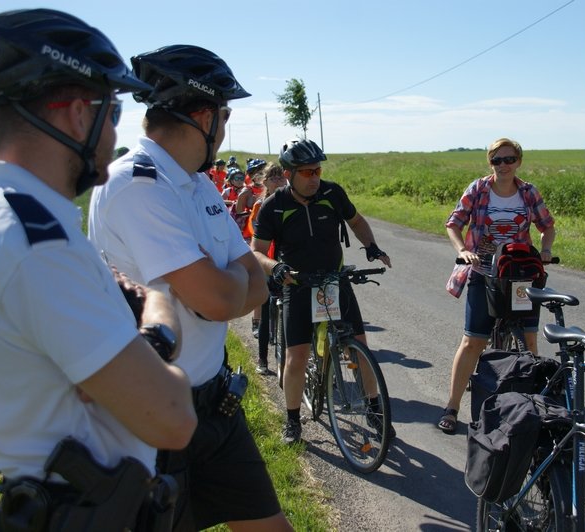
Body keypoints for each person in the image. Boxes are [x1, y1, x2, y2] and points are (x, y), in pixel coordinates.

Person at [0, 9, 196, 530]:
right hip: (83, 510)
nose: (113, 133)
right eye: (112, 113)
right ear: (78, 116)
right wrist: (158, 307)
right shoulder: (37, 244)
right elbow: (173, 418)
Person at [88, 44, 291, 531]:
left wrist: (224, 283)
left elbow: (252, 281)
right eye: (225, 115)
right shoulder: (137, 185)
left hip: (214, 404)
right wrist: (228, 284)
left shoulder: (197, 183)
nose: (224, 128)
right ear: (204, 116)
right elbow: (220, 299)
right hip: (150, 416)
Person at [251, 138, 395, 444]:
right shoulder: (273, 206)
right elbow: (257, 252)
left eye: (317, 170)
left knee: (360, 346)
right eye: (307, 172)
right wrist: (276, 268)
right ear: (288, 174)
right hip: (297, 285)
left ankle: (373, 408)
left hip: (333, 280)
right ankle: (292, 420)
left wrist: (371, 246)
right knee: (297, 356)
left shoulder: (332, 193)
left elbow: (356, 221)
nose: (315, 177)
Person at [438, 138, 556, 434]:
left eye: (509, 159)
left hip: (519, 272)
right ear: (489, 162)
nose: (503, 165)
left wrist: (545, 249)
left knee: (529, 341)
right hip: (484, 271)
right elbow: (454, 223)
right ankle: (452, 407)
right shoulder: (478, 189)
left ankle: (532, 407)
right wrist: (463, 251)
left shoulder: (528, 192)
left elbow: (547, 225)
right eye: (496, 160)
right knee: (473, 342)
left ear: (518, 161)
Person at [248, 162, 287, 372]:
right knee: (264, 308)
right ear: (265, 182)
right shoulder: (260, 205)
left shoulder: (292, 201)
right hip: (267, 260)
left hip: (285, 260)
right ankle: (262, 359)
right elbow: (256, 234)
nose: (279, 181)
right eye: (274, 178)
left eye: (281, 177)